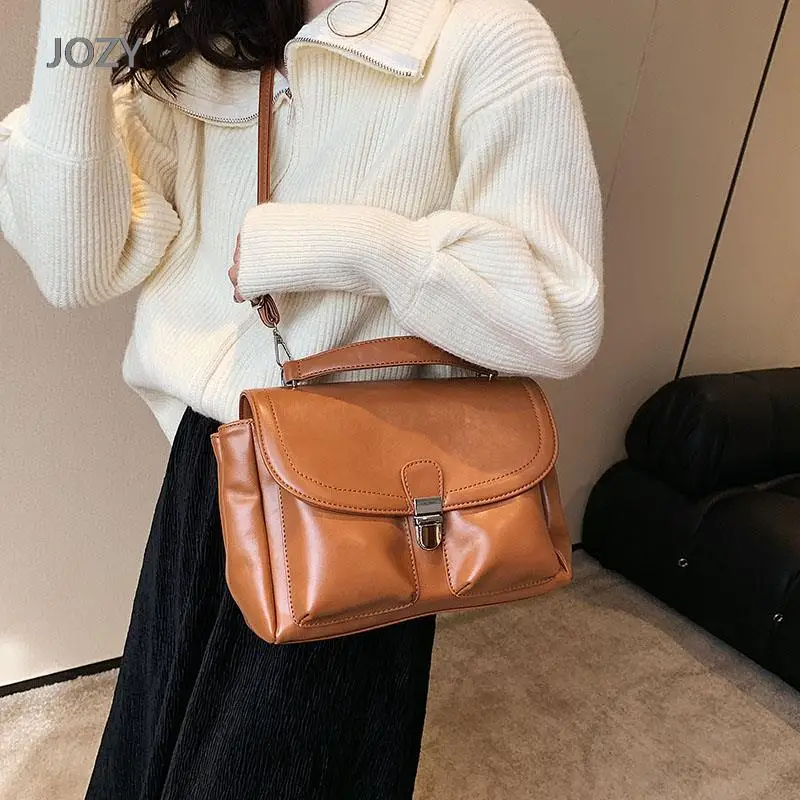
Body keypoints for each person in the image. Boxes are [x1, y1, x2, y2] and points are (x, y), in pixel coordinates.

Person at [0, 0, 604, 796]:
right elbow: (73, 266)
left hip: (364, 491)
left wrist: (350, 245)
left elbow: (558, 312)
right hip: (209, 474)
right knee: (145, 762)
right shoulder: (213, 30)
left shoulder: (480, 32)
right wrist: (78, 20)